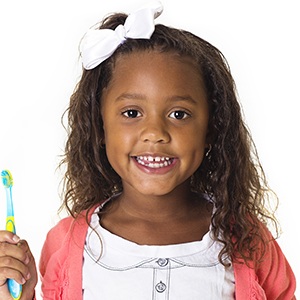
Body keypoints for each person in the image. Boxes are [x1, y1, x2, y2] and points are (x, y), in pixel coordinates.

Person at [40, 1, 296, 299]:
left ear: (212, 129)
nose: (155, 134)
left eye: (179, 114)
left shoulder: (250, 242)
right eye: (132, 113)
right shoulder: (67, 243)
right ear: (99, 126)